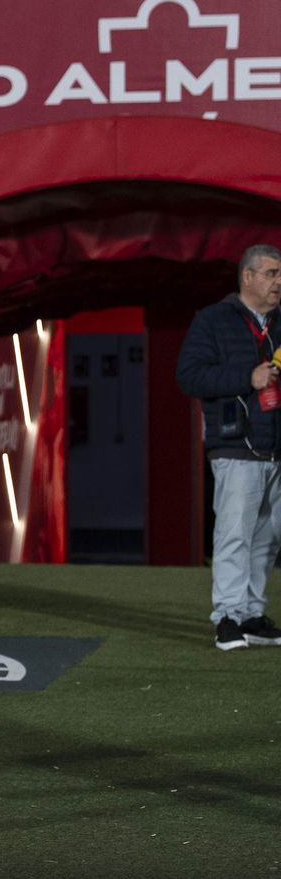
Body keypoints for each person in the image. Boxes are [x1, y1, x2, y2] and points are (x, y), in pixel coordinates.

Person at [175, 245, 281, 652]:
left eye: (280, 275)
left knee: (266, 537)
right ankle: (227, 618)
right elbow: (189, 377)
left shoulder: (278, 322)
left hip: (275, 445)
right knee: (234, 534)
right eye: (271, 274)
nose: (277, 282)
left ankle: (252, 614)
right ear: (248, 277)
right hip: (236, 445)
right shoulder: (213, 320)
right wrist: (246, 377)